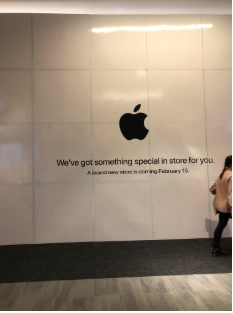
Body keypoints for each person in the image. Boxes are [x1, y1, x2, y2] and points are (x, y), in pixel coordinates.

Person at [212, 155, 232, 257]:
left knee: (221, 225)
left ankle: (216, 248)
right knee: (221, 225)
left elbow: (214, 188)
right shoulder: (231, 175)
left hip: (221, 206)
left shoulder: (221, 173)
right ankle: (216, 248)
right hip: (229, 207)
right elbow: (231, 194)